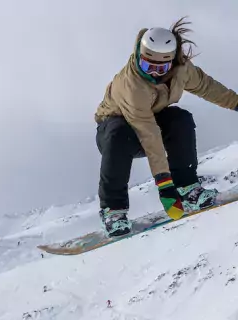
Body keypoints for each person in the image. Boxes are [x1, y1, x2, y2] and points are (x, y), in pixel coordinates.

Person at [95, 17, 238, 237]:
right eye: (146, 65)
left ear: (171, 61)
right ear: (138, 55)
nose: (152, 72)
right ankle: (113, 211)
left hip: (152, 121)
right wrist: (164, 186)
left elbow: (208, 87)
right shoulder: (131, 85)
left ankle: (188, 188)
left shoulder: (181, 71)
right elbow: (149, 134)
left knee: (180, 119)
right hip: (116, 132)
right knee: (118, 133)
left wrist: (236, 104)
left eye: (160, 67)